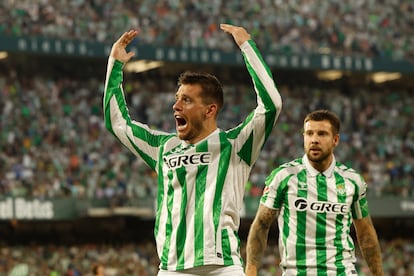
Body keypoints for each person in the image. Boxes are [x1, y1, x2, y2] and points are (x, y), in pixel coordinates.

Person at [103, 24, 282, 275]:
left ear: (210, 110)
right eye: (177, 98)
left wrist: (246, 47)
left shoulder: (236, 145)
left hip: (222, 267)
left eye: (186, 100)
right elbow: (117, 123)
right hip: (172, 268)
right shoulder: (163, 148)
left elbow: (271, 105)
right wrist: (115, 65)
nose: (176, 106)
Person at [245, 109, 384, 276]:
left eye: (322, 134)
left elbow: (365, 232)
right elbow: (261, 225)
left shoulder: (352, 181)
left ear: (335, 140)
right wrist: (250, 271)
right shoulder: (284, 176)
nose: (314, 140)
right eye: (309, 133)